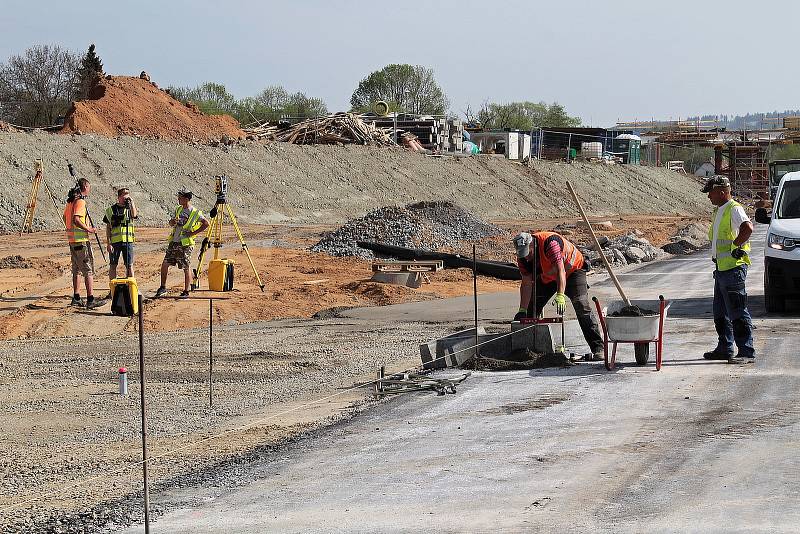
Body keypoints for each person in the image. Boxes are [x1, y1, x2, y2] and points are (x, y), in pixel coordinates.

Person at [513, 231, 604, 360]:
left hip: (573, 270)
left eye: (529, 253)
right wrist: (522, 309)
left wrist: (560, 295)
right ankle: (530, 351)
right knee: (530, 309)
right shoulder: (522, 255)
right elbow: (527, 282)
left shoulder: (550, 244)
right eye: (523, 255)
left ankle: (598, 348)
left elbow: (560, 269)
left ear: (532, 244)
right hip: (548, 277)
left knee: (581, 305)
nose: (526, 257)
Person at [701, 175, 755, 363]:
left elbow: (747, 228)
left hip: (733, 269)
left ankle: (746, 351)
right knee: (720, 312)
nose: (709, 197)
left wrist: (735, 248)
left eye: (711, 193)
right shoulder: (719, 211)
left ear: (722, 192)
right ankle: (725, 347)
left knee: (738, 311)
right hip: (722, 269)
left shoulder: (734, 209)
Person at [155, 189, 208, 298]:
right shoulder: (178, 209)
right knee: (165, 264)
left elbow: (206, 223)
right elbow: (171, 223)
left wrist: (193, 233)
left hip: (186, 244)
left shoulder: (195, 212)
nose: (178, 199)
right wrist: (172, 222)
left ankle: (186, 291)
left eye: (180, 197)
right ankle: (163, 287)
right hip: (174, 241)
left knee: (186, 266)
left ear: (187, 199)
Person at [63, 178, 100, 309]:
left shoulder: (70, 202)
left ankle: (77, 297)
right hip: (80, 241)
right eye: (89, 187)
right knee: (88, 270)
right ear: (85, 187)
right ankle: (90, 299)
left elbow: (65, 218)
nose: (90, 190)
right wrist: (89, 229)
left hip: (72, 240)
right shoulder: (80, 202)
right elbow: (76, 220)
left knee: (76, 270)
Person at [103, 187, 138, 282]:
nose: (126, 199)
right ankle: (112, 290)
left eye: (127, 197)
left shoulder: (130, 209)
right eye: (124, 197)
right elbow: (108, 228)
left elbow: (134, 215)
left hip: (128, 241)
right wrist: (108, 243)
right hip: (115, 242)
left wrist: (132, 203)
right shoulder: (111, 210)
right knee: (113, 265)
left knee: (129, 265)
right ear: (119, 197)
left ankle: (131, 288)